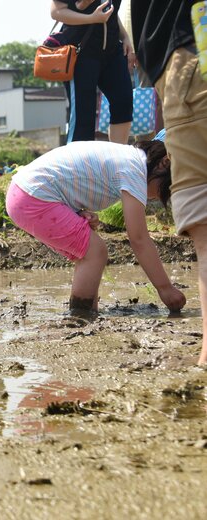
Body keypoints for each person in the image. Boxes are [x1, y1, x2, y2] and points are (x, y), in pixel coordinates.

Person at [5, 140, 186, 314]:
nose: (155, 197)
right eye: (165, 189)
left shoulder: (129, 158)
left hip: (25, 191)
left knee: (87, 250)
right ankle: (80, 315)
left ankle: (87, 310)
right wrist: (165, 288)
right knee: (95, 252)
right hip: (32, 196)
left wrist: (75, 212)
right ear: (163, 164)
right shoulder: (135, 170)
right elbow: (139, 239)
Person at [131, 1, 207, 365]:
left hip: (181, 63)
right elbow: (138, 236)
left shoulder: (128, 168)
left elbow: (139, 237)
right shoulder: (129, 169)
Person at [51, 0, 134, 144]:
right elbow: (56, 12)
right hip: (81, 53)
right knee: (83, 116)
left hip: (113, 50)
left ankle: (118, 160)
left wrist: (125, 37)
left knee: (123, 102)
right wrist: (91, 18)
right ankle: (79, 165)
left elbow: (109, 11)